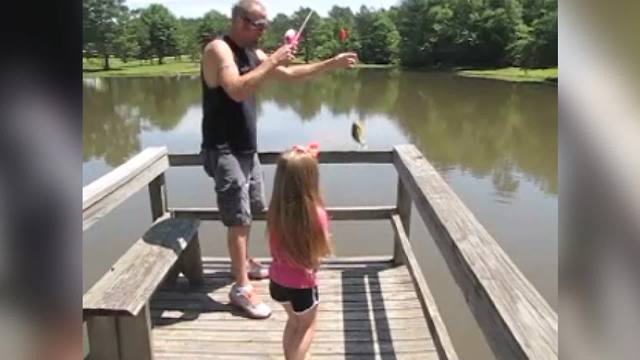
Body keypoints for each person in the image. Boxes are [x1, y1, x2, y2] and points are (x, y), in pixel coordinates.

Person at [200, 0, 357, 319]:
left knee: (254, 208)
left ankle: (244, 263)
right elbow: (237, 91)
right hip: (224, 148)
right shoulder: (219, 49)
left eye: (266, 24)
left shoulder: (251, 53)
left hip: (246, 146)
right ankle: (241, 287)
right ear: (241, 21)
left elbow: (288, 74)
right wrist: (272, 59)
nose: (264, 30)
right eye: (259, 24)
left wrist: (331, 64)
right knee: (239, 217)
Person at [267, 145, 331, 360]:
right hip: (302, 286)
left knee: (294, 322)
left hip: (277, 283)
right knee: (307, 325)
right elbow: (317, 255)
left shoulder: (275, 212)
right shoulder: (317, 215)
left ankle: (293, 356)